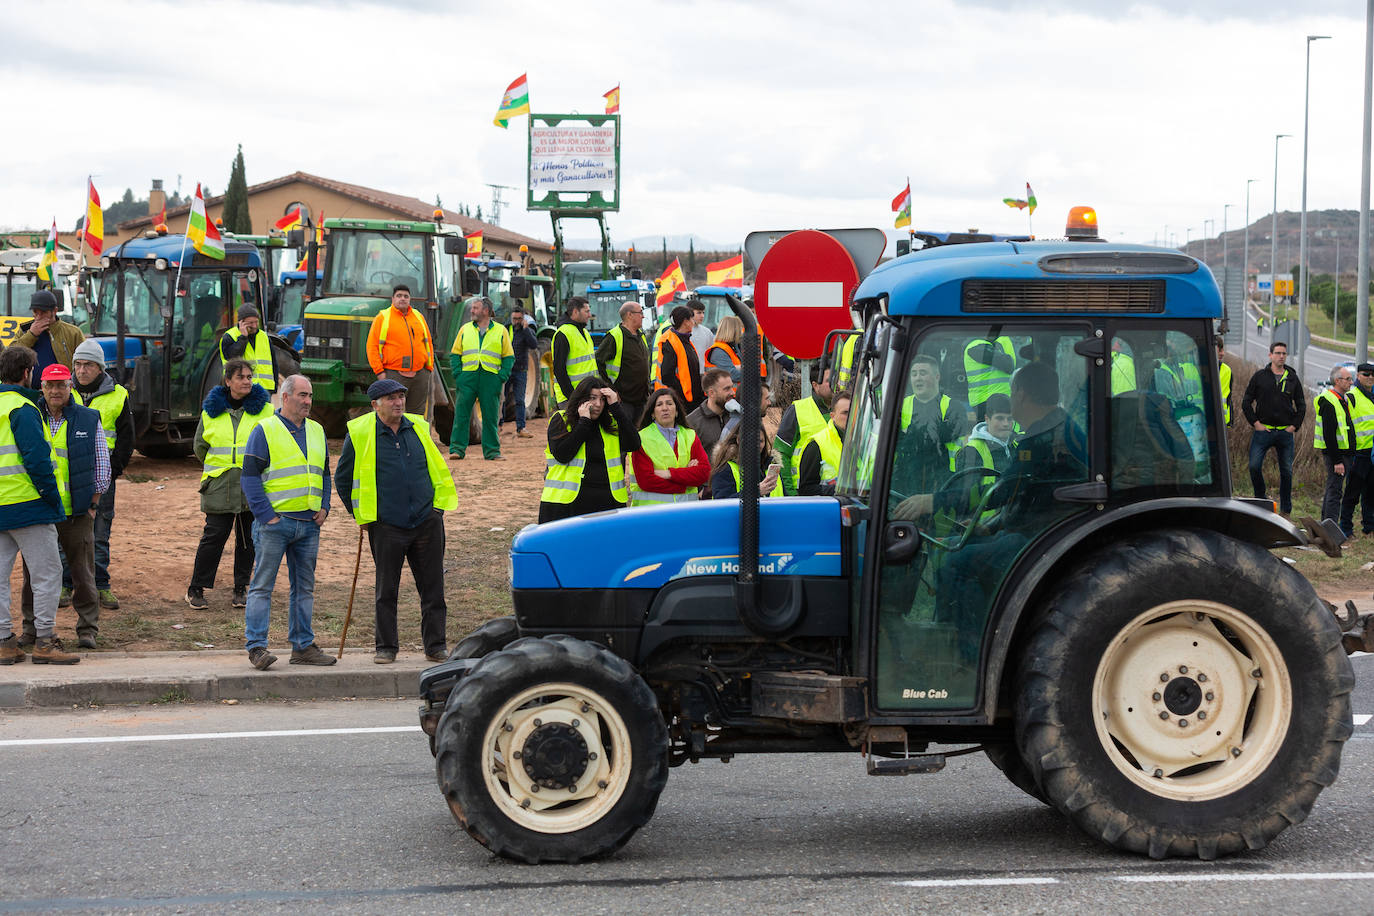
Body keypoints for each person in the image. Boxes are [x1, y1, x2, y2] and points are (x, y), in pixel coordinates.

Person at [336, 378, 458, 664]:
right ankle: (386, 648)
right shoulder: (360, 433)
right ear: (375, 404)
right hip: (386, 524)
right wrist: (360, 515)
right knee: (386, 590)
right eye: (391, 398)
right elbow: (343, 479)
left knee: (433, 588)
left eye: (401, 396)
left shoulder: (418, 427)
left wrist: (436, 511)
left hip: (426, 522)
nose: (399, 402)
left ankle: (435, 646)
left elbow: (435, 468)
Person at [238, 374, 334, 670]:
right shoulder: (264, 430)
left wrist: (325, 507)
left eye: (310, 396)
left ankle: (303, 646)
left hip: (308, 524)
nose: (308, 401)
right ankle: (256, 647)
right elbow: (250, 477)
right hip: (274, 525)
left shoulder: (317, 430)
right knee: (262, 586)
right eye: (303, 395)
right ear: (285, 397)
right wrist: (267, 516)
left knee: (304, 588)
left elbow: (325, 474)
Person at [18, 364, 108, 650]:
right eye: (49, 385)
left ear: (70, 387)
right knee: (34, 573)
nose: (55, 391)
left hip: (76, 511)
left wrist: (93, 503)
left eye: (61, 385)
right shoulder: (29, 415)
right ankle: (30, 629)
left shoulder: (88, 418)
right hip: (41, 511)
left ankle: (87, 630)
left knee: (82, 573)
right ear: (41, 387)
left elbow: (102, 465)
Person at [0, 346, 77, 665]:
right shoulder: (23, 408)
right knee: (47, 574)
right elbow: (37, 460)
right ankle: (45, 641)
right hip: (29, 505)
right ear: (27, 373)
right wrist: (52, 500)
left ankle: (4, 642)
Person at [186, 357, 271, 611]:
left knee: (247, 539)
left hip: (251, 485)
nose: (246, 381)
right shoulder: (211, 411)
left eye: (249, 377)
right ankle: (197, 588)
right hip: (219, 485)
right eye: (241, 377)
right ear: (228, 381)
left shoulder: (265, 410)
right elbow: (200, 446)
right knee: (213, 537)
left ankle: (240, 589)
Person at [70, 338, 133, 611]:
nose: (82, 371)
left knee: (100, 531)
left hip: (101, 476)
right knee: (65, 531)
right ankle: (65, 584)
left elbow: (126, 439)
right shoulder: (63, 390)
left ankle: (101, 586)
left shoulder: (118, 395)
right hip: (67, 475)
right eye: (78, 365)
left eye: (88, 365)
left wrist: (112, 471)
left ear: (100, 368)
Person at [539, 377, 641, 523]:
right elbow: (563, 454)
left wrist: (616, 408)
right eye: (592, 398)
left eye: (602, 399)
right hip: (566, 506)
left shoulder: (611, 423)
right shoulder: (561, 419)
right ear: (581, 399)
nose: (598, 404)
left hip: (608, 504)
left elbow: (634, 444)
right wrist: (584, 423)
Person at [892, 354, 971, 499]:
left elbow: (938, 438)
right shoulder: (901, 406)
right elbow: (892, 441)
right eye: (914, 374)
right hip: (905, 483)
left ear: (937, 377)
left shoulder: (954, 407)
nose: (918, 378)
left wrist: (909, 433)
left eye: (923, 373)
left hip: (944, 482)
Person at [1241, 341, 1305, 514]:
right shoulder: (1260, 376)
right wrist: (1255, 423)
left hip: (1285, 433)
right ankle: (1261, 500)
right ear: (1270, 355)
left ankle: (1286, 509)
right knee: (1254, 466)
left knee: (1286, 472)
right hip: (1264, 432)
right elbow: (1246, 402)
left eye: (1284, 353)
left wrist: (1293, 427)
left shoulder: (1292, 378)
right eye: (1277, 353)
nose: (1281, 356)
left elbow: (1301, 405)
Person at [449, 296, 513, 461]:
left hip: (490, 378)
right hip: (468, 377)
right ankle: (457, 449)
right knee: (461, 414)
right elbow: (455, 354)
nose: (472, 310)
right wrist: (458, 374)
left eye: (475, 308)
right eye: (472, 308)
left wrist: (502, 376)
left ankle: (492, 451)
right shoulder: (465, 329)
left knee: (490, 416)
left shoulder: (501, 331)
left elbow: (508, 357)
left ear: (486, 311)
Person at [629, 388, 709, 506]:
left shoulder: (690, 435)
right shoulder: (641, 438)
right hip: (652, 514)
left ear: (676, 411)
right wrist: (686, 480)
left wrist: (669, 474)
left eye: (669, 403)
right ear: (652, 413)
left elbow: (704, 473)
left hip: (686, 512)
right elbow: (646, 481)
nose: (665, 408)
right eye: (659, 404)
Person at [365, 282, 434, 419]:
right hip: (393, 374)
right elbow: (371, 346)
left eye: (406, 296)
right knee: (391, 413)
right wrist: (380, 372)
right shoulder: (383, 318)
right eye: (399, 296)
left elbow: (428, 343)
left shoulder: (418, 317)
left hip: (420, 374)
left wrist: (428, 368)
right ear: (393, 299)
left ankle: (415, 440)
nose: (402, 298)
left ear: (410, 299)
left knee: (417, 416)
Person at [773, 363, 832, 496]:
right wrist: (791, 494)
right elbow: (780, 454)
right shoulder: (797, 410)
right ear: (815, 385)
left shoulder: (846, 410)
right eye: (829, 380)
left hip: (838, 495)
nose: (835, 384)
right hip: (804, 495)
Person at [1315, 365, 1357, 528]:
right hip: (1337, 455)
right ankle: (1330, 528)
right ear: (1337, 381)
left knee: (1333, 488)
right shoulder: (1329, 400)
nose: (1351, 382)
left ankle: (1326, 525)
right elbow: (1329, 435)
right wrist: (1337, 461)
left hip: (1343, 453)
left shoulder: (1342, 399)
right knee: (1335, 491)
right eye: (1347, 379)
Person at [595, 301, 651, 422]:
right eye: (640, 312)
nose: (643, 316)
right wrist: (611, 389)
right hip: (624, 400)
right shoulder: (614, 336)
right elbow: (598, 362)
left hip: (642, 398)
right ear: (630, 315)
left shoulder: (640, 335)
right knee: (625, 433)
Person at [17, 289, 85, 383]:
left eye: (44, 312)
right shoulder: (25, 330)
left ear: (55, 311)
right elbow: (11, 356)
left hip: (62, 389)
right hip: (29, 391)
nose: (38, 317)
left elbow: (84, 361)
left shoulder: (73, 332)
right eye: (36, 312)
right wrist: (31, 335)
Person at [1339, 362, 1374, 538]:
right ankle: (1345, 528)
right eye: (1366, 374)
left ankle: (1369, 527)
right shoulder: (1351, 396)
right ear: (1358, 376)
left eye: (1373, 374)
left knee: (1370, 493)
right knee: (1352, 493)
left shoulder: (1373, 396)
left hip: (1372, 453)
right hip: (1358, 453)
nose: (1370, 378)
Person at [796, 390, 852, 496]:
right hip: (832, 509)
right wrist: (837, 490)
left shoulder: (871, 442)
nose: (850, 416)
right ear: (832, 416)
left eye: (854, 411)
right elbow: (806, 489)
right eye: (845, 412)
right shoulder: (816, 445)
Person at [710, 424, 782, 499]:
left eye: (760, 441)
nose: (756, 444)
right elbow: (722, 503)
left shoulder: (772, 467)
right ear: (738, 440)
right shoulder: (725, 469)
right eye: (751, 440)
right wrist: (756, 492)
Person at [219, 304, 279, 393]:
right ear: (241, 322)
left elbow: (274, 363)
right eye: (251, 323)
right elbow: (232, 358)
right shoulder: (229, 336)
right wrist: (243, 337)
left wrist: (274, 387)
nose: (254, 326)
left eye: (256, 322)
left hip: (264, 389)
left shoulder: (264, 337)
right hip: (240, 389)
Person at [686, 367, 737, 463]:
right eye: (727, 389)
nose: (732, 392)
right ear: (711, 393)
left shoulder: (736, 415)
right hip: (708, 477)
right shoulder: (692, 422)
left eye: (732, 387)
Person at [657, 305, 704, 408]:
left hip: (690, 398)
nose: (693, 322)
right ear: (685, 321)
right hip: (682, 401)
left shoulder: (684, 339)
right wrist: (681, 394)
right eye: (692, 319)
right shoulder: (670, 342)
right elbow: (667, 376)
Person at [551, 296, 594, 407]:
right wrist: (573, 398)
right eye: (587, 311)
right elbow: (559, 370)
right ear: (575, 311)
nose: (590, 315)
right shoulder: (563, 334)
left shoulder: (584, 332)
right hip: (571, 398)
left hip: (587, 395)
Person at [503, 305, 538, 439]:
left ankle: (521, 428)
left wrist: (526, 330)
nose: (516, 321)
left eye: (519, 319)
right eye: (514, 318)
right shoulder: (506, 330)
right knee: (502, 399)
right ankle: (499, 425)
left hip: (521, 370)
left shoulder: (526, 331)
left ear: (523, 318)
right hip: (506, 369)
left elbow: (534, 345)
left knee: (519, 400)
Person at [963, 334, 1015, 420]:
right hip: (988, 400)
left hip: (994, 399)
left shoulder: (988, 346)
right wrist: (1004, 338)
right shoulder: (977, 346)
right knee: (996, 431)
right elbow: (1008, 365)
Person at [704, 315, 767, 380]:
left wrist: (740, 367)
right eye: (740, 328)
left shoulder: (734, 346)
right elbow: (733, 375)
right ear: (733, 331)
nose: (742, 332)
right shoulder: (719, 351)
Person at [689, 300, 714, 364]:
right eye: (699, 313)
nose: (702, 316)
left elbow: (711, 354)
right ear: (689, 313)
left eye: (703, 313)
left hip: (702, 372)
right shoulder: (680, 332)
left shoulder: (707, 332)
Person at [1216, 335, 1233, 426]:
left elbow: (1228, 398)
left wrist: (1230, 421)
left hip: (1222, 423)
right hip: (1195, 420)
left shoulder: (1227, 370)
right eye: (1220, 349)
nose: (1223, 353)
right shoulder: (1188, 368)